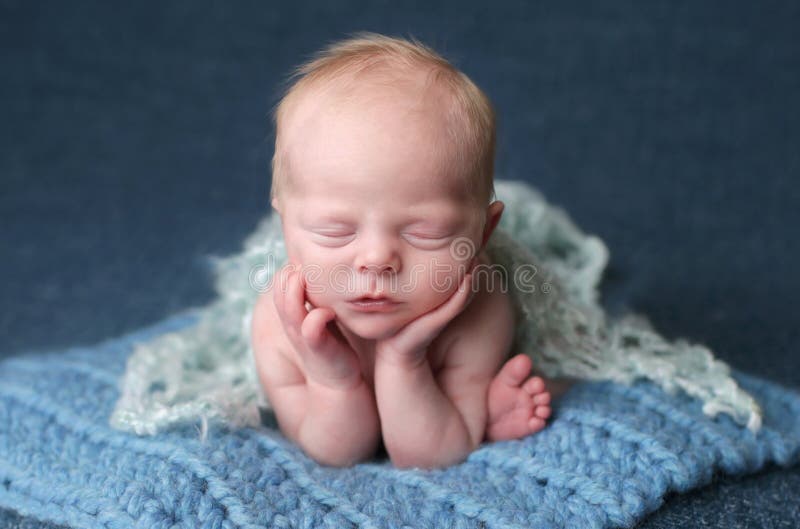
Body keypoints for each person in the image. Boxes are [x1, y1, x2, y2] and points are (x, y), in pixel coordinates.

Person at [250, 32, 551, 469]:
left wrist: (403, 361)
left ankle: (481, 409)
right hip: (318, 375)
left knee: (535, 370)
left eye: (425, 233)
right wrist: (331, 379)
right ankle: (482, 410)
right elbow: (337, 454)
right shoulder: (280, 323)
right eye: (333, 231)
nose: (376, 259)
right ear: (285, 223)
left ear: (483, 233)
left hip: (431, 400)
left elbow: (432, 456)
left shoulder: (480, 308)